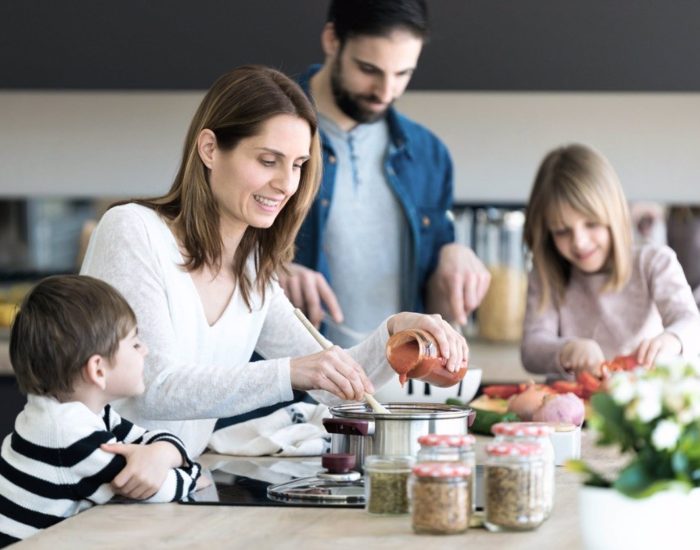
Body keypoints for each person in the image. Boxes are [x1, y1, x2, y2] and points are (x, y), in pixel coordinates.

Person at [80, 65, 469, 457]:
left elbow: (331, 384)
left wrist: (396, 332)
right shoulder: (133, 231)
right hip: (88, 492)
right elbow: (151, 386)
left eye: (298, 164)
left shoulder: (252, 270)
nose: (286, 184)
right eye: (268, 160)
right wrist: (290, 373)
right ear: (210, 149)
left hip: (168, 486)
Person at [279, 0, 491, 347]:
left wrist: (453, 255)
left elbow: (438, 307)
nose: (386, 92)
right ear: (333, 39)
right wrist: (266, 273)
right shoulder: (266, 129)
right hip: (295, 387)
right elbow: (208, 254)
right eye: (369, 69)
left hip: (396, 388)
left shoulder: (429, 155)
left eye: (403, 74)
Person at [0, 275, 203, 546]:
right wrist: (189, 471)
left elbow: (153, 440)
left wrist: (161, 453)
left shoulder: (82, 413)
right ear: (98, 370)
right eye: (134, 343)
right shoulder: (67, 435)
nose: (145, 350)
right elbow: (161, 488)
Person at [521, 144, 700, 378]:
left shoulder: (654, 262)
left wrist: (671, 340)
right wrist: (567, 349)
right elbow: (531, 348)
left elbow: (690, 322)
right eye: (562, 231)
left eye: (592, 224)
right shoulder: (546, 274)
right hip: (571, 406)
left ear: (614, 215)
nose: (580, 242)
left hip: (638, 402)